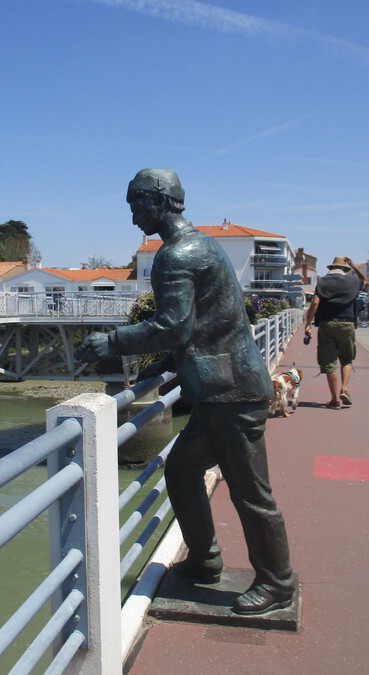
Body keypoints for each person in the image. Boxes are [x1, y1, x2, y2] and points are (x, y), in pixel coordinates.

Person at [76, 169, 295, 615]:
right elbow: (211, 321)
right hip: (220, 388)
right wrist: (171, 362)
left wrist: (112, 342)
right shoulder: (204, 246)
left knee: (252, 493)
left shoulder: (176, 256)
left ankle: (278, 582)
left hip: (230, 393)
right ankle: (204, 559)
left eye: (136, 203)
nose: (134, 215)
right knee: (180, 471)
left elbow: (175, 325)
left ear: (158, 200)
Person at [304, 256, 369, 409]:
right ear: (345, 270)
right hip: (347, 324)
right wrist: (354, 265)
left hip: (326, 324)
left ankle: (334, 400)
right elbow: (367, 282)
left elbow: (315, 302)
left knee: (329, 363)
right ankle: (345, 389)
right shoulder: (353, 281)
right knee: (347, 359)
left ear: (330, 268)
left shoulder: (322, 282)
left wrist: (308, 324)